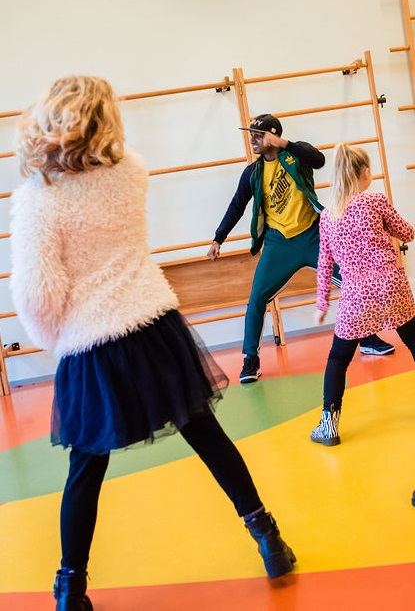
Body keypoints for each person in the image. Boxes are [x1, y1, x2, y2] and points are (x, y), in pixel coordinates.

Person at [9, 77, 296, 611]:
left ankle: (70, 588)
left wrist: (61, 340)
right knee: (206, 434)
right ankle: (269, 538)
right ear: (106, 121)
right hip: (154, 324)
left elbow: (36, 296)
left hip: (92, 342)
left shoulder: (36, 201)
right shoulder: (130, 173)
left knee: (85, 468)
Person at [207, 114, 394, 384]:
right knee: (256, 299)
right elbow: (237, 205)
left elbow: (318, 159)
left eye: (258, 135)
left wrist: (284, 143)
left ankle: (367, 338)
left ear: (272, 135)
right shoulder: (253, 173)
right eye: (252, 135)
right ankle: (250, 360)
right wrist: (218, 239)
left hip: (313, 235)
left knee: (353, 281)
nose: (253, 140)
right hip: (278, 243)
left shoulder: (295, 155)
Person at [310, 143, 415, 446]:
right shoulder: (376, 201)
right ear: (365, 173)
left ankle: (329, 425)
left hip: (356, 298)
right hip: (392, 286)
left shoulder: (328, 216)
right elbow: (407, 232)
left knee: (338, 359)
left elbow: (324, 264)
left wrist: (321, 304)